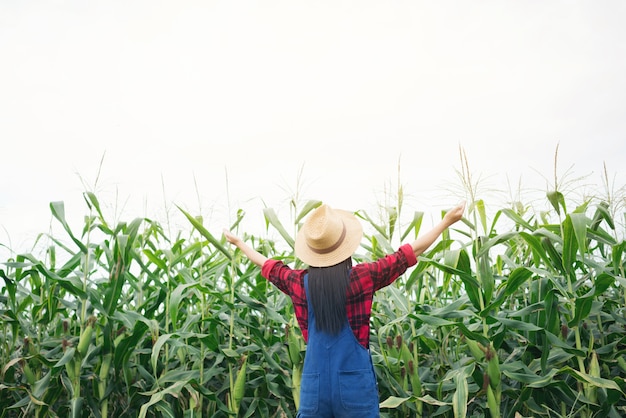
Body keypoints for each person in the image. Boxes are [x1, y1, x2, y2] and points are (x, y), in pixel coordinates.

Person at [223, 201, 465, 418]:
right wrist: (445, 222)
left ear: (312, 251)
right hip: (354, 387)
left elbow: (268, 266)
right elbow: (405, 256)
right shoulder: (362, 278)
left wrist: (239, 243)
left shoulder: (298, 282)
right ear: (344, 247)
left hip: (313, 388)